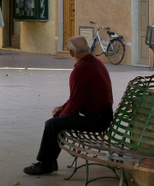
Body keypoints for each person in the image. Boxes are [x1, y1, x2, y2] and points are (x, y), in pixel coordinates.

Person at [23, 35, 113, 175]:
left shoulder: (79, 71)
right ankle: (51, 161)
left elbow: (75, 103)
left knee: (52, 124)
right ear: (88, 49)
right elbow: (77, 97)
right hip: (104, 115)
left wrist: (60, 116)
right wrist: (62, 108)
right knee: (58, 119)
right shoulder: (95, 63)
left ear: (71, 53)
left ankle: (46, 164)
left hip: (95, 120)